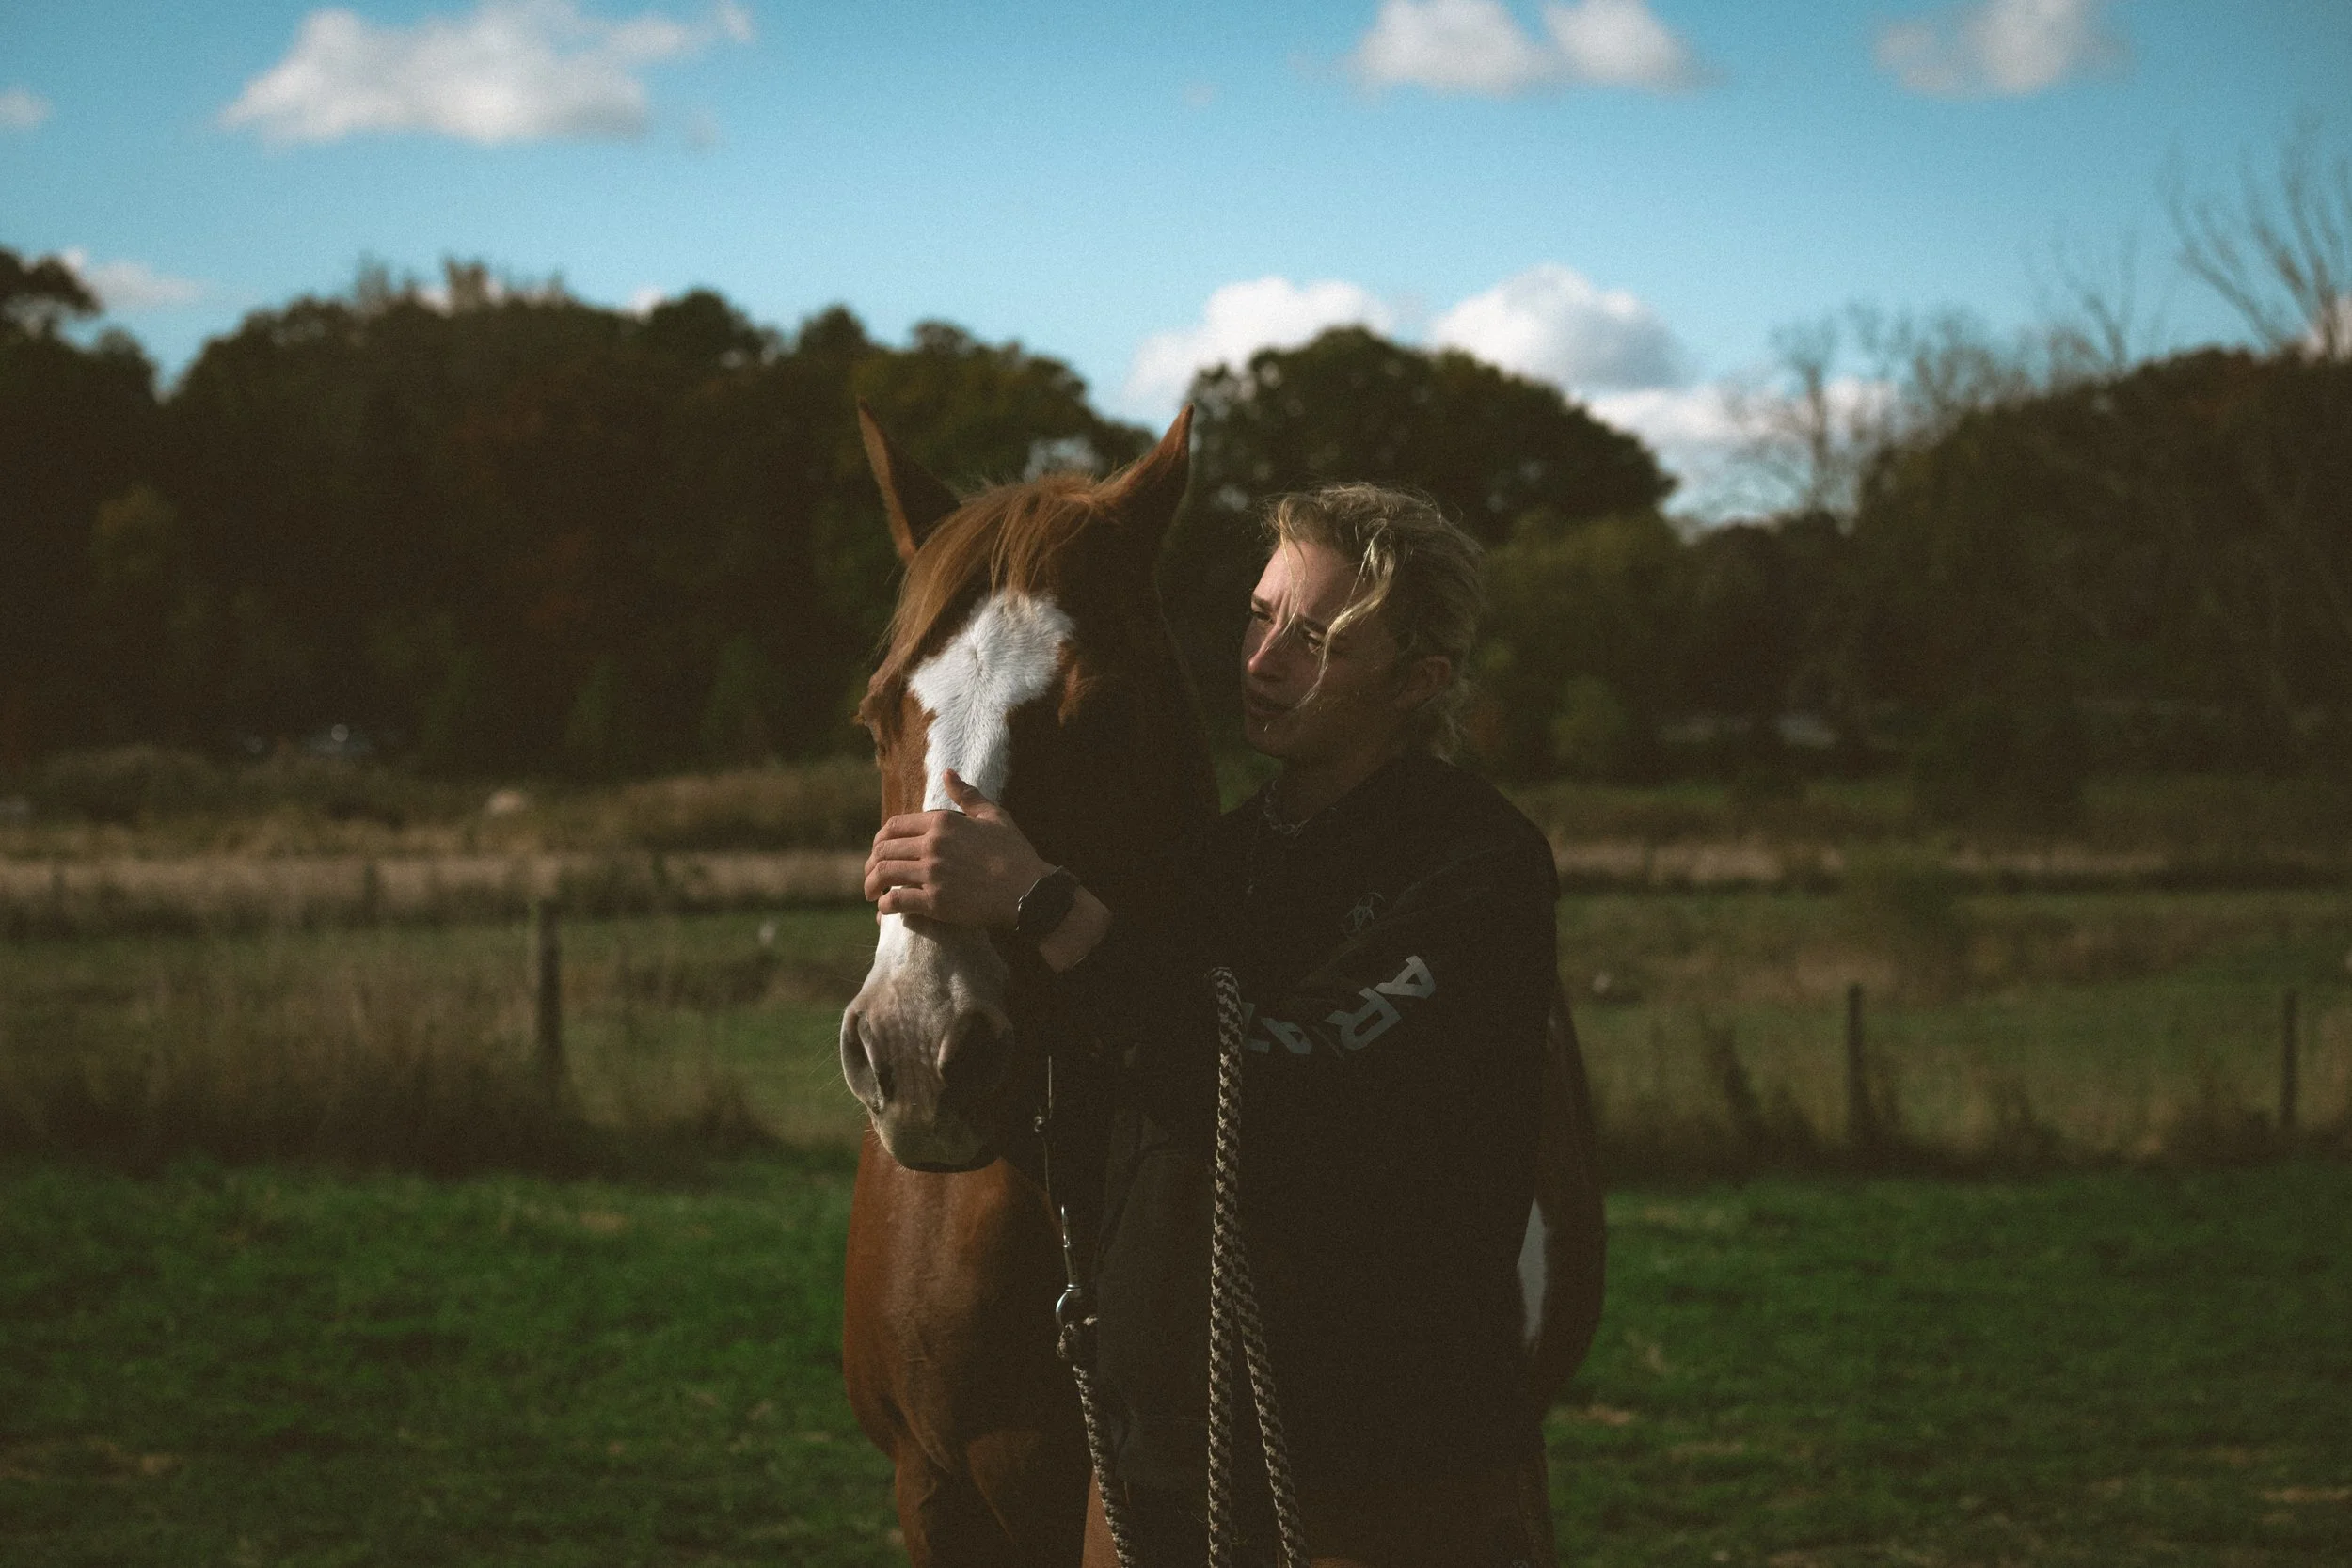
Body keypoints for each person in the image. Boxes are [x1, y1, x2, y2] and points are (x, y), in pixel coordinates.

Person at [864, 483, 1559, 1567]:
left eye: (1318, 637)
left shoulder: (1473, 867)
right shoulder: (1211, 864)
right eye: (1258, 611)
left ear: (1417, 682)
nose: (1263, 658)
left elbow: (1289, 1094)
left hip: (1381, 1481)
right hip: (1153, 1480)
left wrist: (1046, 906)